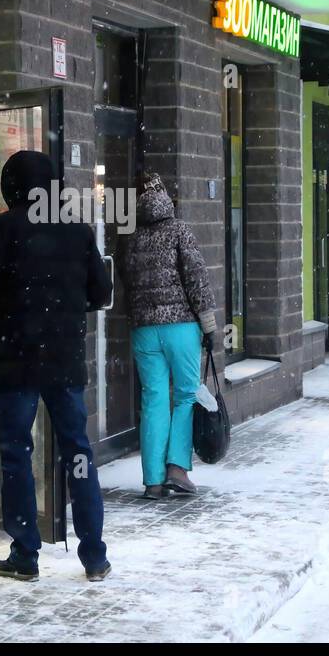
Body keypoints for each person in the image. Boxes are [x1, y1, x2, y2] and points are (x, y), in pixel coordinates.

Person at [0, 150, 113, 583]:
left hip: (17, 362)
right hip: (64, 362)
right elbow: (100, 292)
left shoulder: (4, 228)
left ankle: (25, 554)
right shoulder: (78, 230)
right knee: (79, 454)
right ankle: (94, 556)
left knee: (17, 456)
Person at [119, 172, 216, 499]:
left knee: (154, 399)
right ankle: (178, 468)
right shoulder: (179, 230)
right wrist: (209, 325)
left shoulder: (129, 235)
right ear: (166, 199)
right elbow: (197, 279)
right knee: (187, 394)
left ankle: (153, 481)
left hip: (144, 330)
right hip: (181, 327)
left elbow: (126, 282)